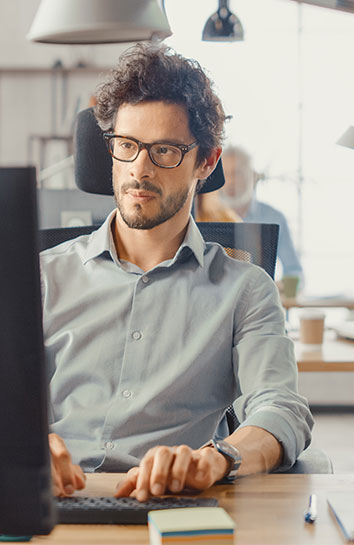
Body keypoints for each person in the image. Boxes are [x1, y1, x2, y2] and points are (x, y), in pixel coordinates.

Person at [39, 43, 313, 502]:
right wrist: (17, 447)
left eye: (164, 151)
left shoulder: (245, 290)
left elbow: (280, 408)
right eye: (126, 146)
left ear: (205, 162)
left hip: (172, 505)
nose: (138, 171)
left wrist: (218, 458)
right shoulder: (42, 277)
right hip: (52, 504)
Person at [218, 147, 304, 285]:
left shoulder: (274, 218)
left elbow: (295, 273)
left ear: (252, 175)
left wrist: (276, 287)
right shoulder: (205, 215)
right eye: (225, 174)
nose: (230, 181)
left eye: (237, 173)